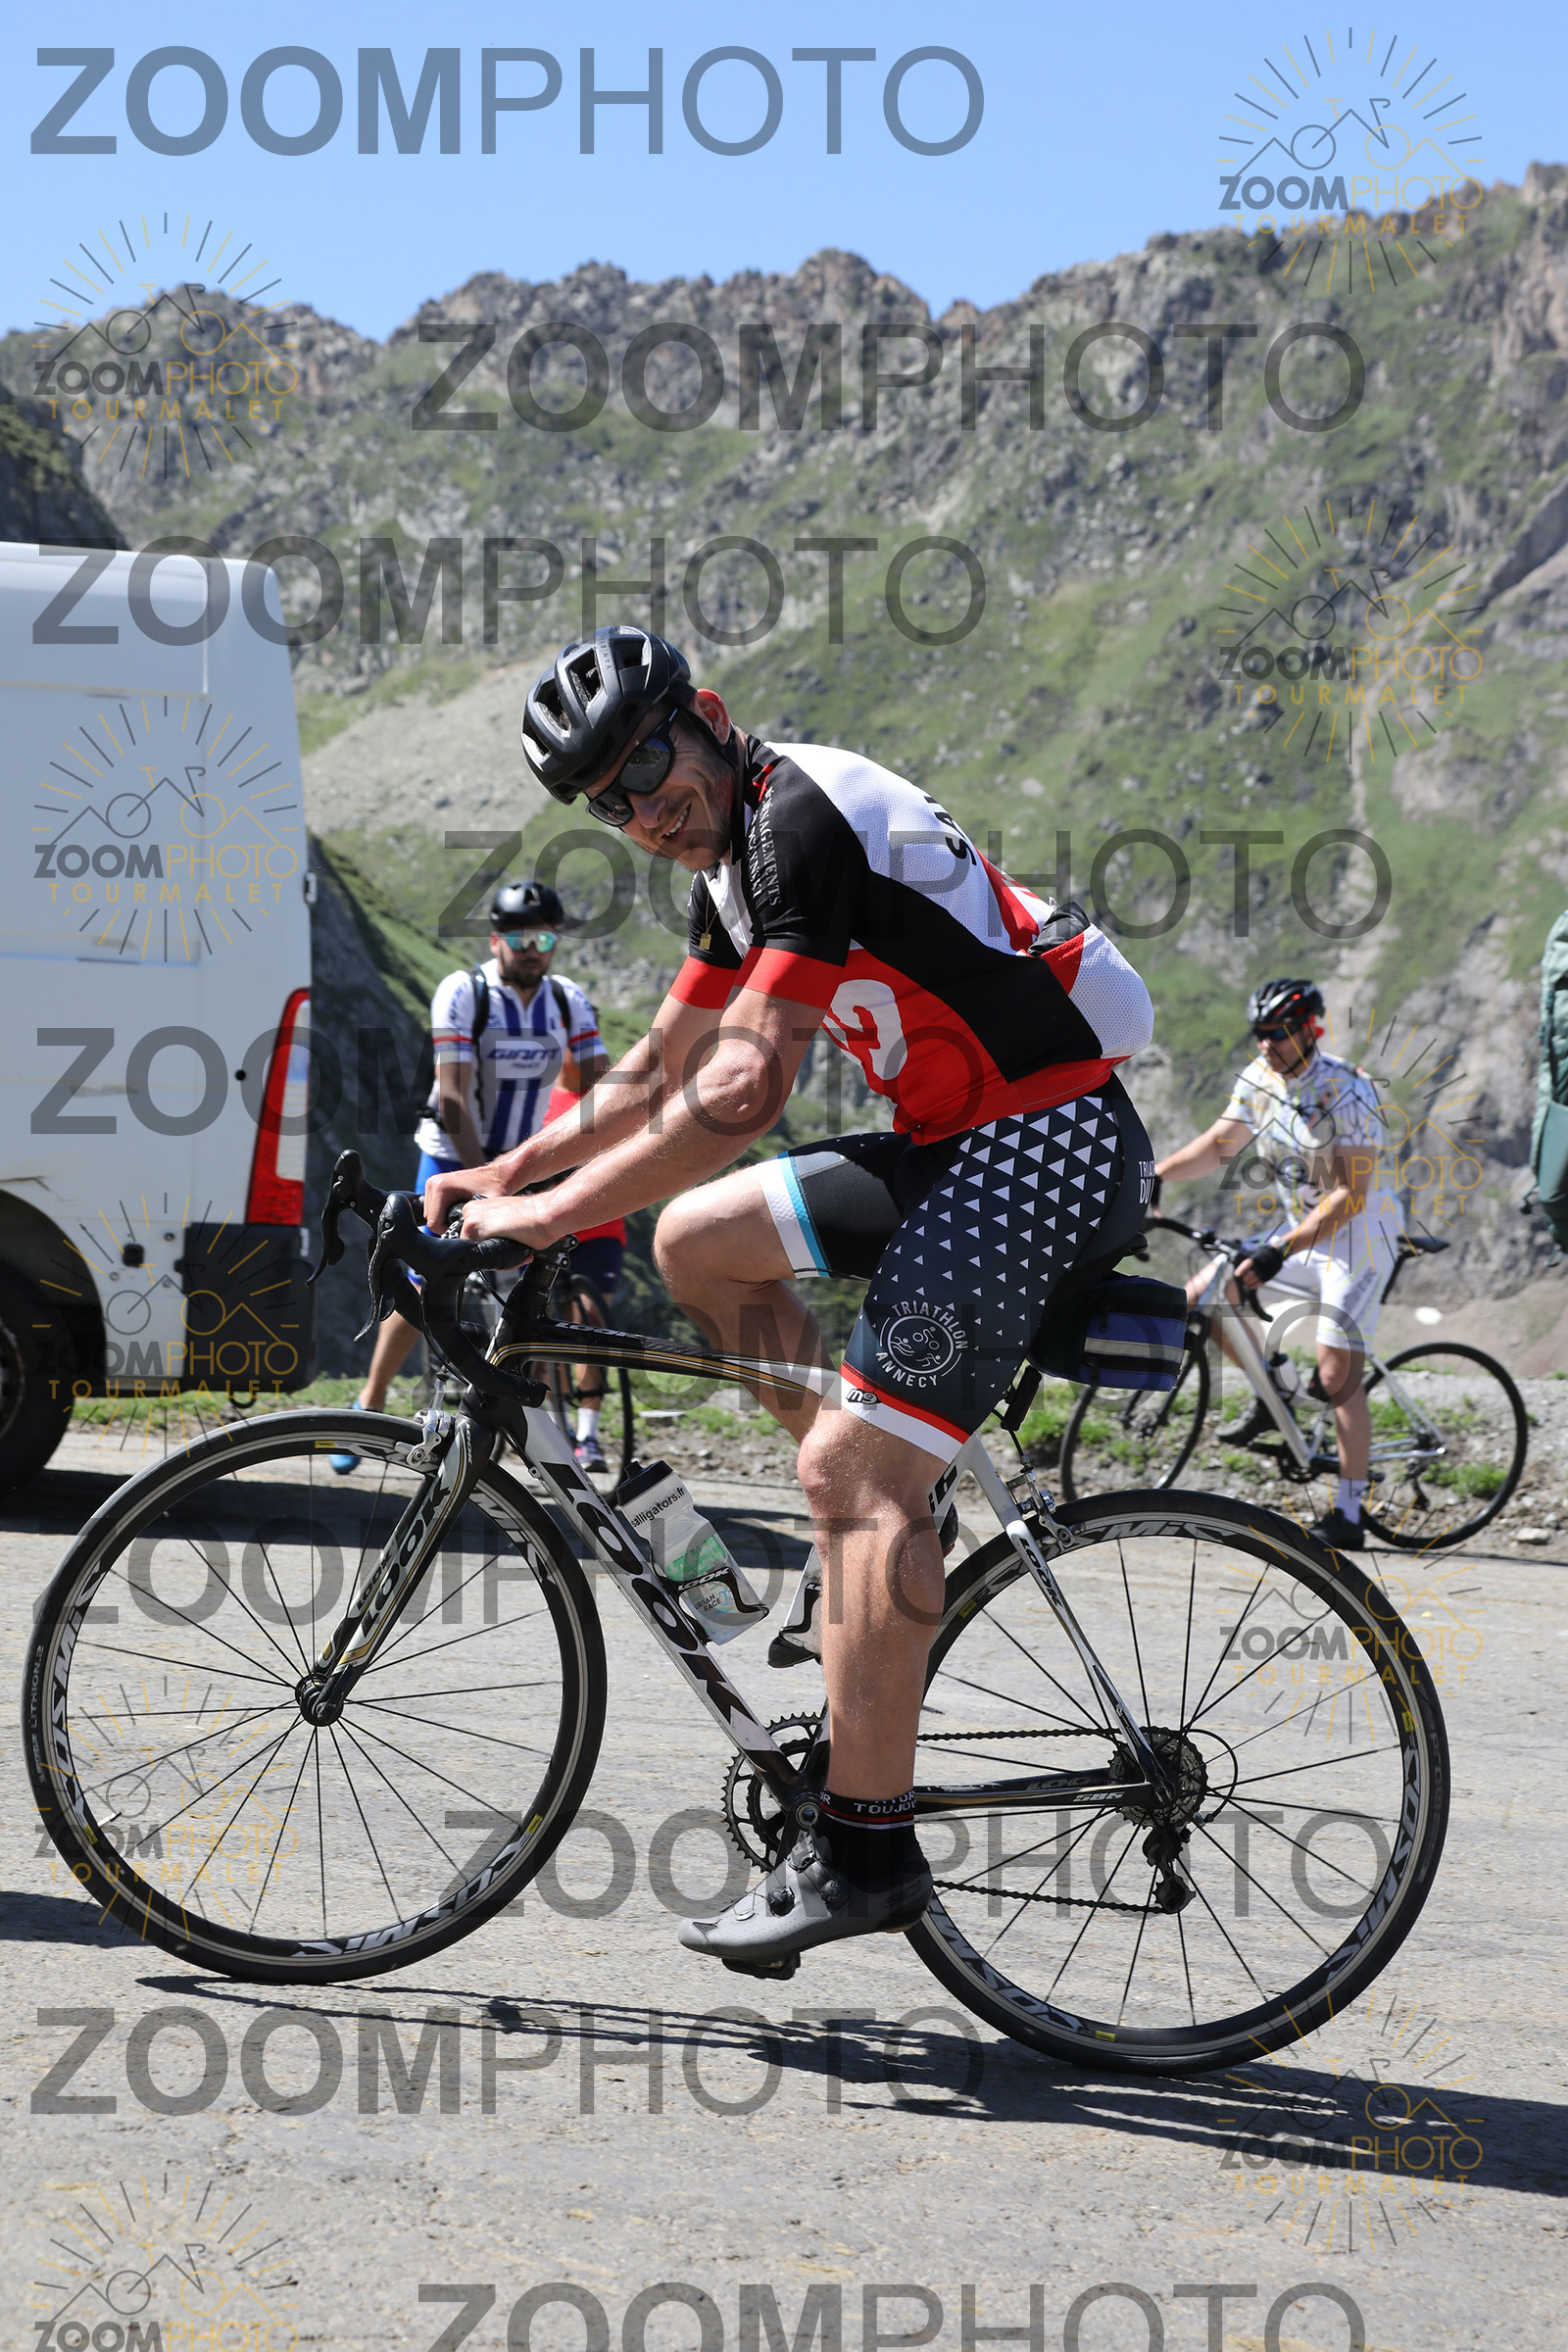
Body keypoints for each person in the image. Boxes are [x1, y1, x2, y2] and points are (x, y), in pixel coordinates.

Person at [423, 622, 1157, 1969]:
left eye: (648, 769)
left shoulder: (797, 817)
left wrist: (546, 1217)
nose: (645, 813)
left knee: (847, 1474)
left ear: (705, 715)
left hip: (1049, 1133)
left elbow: (746, 1088)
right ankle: (879, 1526)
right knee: (699, 1243)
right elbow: (658, 1073)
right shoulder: (732, 866)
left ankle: (865, 1848)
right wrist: (506, 1172)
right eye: (610, 804)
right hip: (954, 1139)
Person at [329, 880, 608, 1472]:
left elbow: (597, 1086)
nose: (532, 949)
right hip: (453, 1155)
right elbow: (453, 1095)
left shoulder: (567, 1001)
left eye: (544, 938)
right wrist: (486, 1178)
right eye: (519, 937)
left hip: (521, 1161)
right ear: (495, 939)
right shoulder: (465, 992)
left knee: (527, 1292)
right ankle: (371, 1402)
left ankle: (526, 1426)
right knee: (424, 1278)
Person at [1152, 975, 1401, 1552]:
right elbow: (1221, 1144)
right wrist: (1157, 1176)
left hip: (1361, 1237)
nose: (1267, 1043)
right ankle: (1281, 1391)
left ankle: (1349, 1512)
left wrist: (1278, 1250)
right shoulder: (1259, 1079)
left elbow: (1350, 1197)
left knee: (1337, 1374)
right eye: (1260, 1033)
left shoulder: (1350, 1091)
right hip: (1305, 1233)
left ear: (1311, 1031)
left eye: (1280, 1033)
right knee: (1210, 1294)